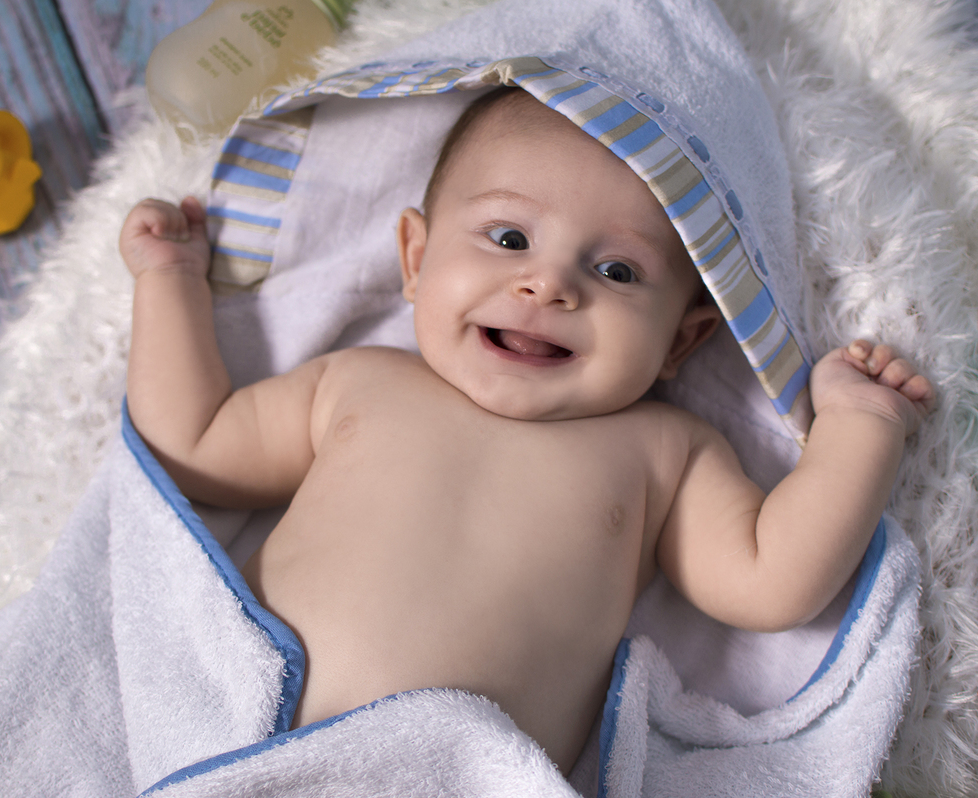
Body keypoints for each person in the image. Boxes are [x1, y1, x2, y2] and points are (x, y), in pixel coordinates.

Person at [118, 87, 934, 774]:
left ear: (681, 341)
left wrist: (859, 427)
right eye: (509, 238)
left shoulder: (662, 454)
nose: (547, 285)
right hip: (240, 752)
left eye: (617, 270)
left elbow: (774, 581)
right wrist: (170, 280)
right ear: (416, 258)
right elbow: (193, 448)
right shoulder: (356, 383)